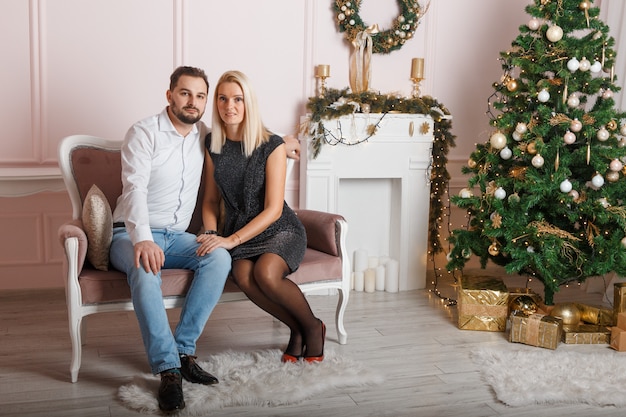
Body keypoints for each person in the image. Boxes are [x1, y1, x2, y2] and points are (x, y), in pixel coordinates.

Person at [109, 66, 232, 413]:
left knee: (219, 256)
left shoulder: (205, 135)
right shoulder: (144, 132)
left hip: (178, 236)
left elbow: (246, 133)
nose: (193, 102)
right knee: (145, 267)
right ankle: (168, 372)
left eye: (200, 96)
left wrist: (284, 140)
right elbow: (134, 188)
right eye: (185, 93)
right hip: (129, 233)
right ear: (169, 95)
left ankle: (184, 351)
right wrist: (142, 239)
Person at [196, 70, 326, 365]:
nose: (230, 106)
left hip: (280, 230)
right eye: (223, 98)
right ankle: (296, 328)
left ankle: (312, 327)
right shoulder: (212, 145)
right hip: (238, 232)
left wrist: (231, 240)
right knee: (243, 275)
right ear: (216, 103)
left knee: (265, 274)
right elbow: (211, 200)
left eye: (238, 99)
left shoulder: (272, 145)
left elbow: (274, 210)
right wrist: (214, 234)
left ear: (248, 103)